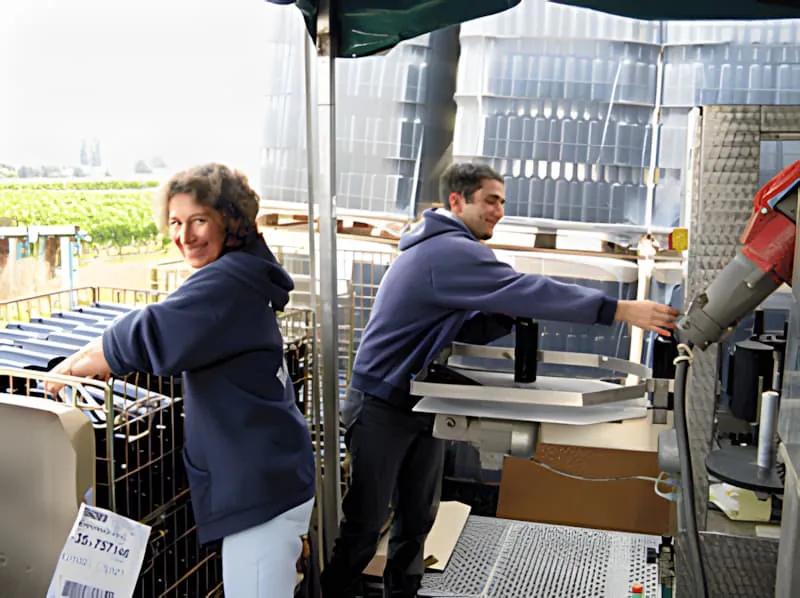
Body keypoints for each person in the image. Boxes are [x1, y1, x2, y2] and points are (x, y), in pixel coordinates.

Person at [320, 162, 679, 598]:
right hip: (381, 402)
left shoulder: (445, 249)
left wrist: (503, 306)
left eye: (502, 201)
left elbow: (470, 326)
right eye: (490, 200)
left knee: (418, 517)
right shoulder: (448, 251)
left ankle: (403, 592)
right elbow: (528, 287)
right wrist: (618, 310)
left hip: (419, 399)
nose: (499, 211)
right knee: (365, 522)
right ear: (457, 200)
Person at [44, 163, 316, 598]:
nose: (184, 235)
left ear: (231, 219)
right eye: (175, 222)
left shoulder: (227, 283)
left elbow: (150, 331)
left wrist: (66, 372)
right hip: (271, 473)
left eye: (199, 220)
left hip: (261, 490)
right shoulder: (243, 273)